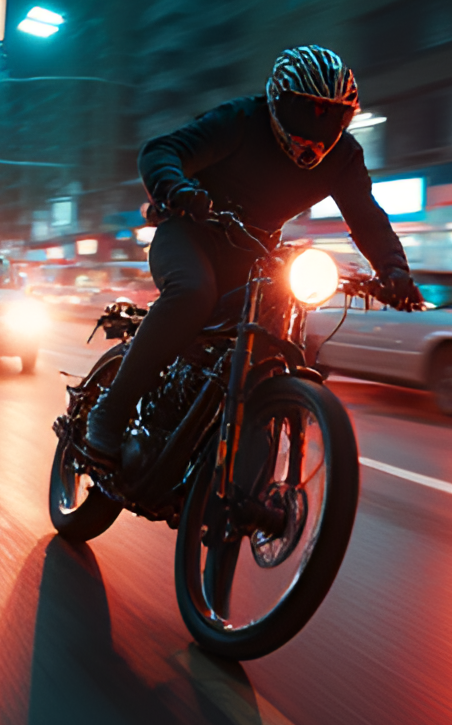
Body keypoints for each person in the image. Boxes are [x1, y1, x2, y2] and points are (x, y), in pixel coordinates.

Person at [84, 45, 422, 460]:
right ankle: (111, 412)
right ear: (278, 103)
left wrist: (394, 270)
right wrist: (179, 189)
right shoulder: (241, 120)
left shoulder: (344, 157)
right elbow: (161, 151)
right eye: (305, 112)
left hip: (255, 253)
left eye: (331, 117)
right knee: (193, 293)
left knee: (276, 332)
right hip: (191, 232)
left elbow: (367, 216)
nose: (315, 133)